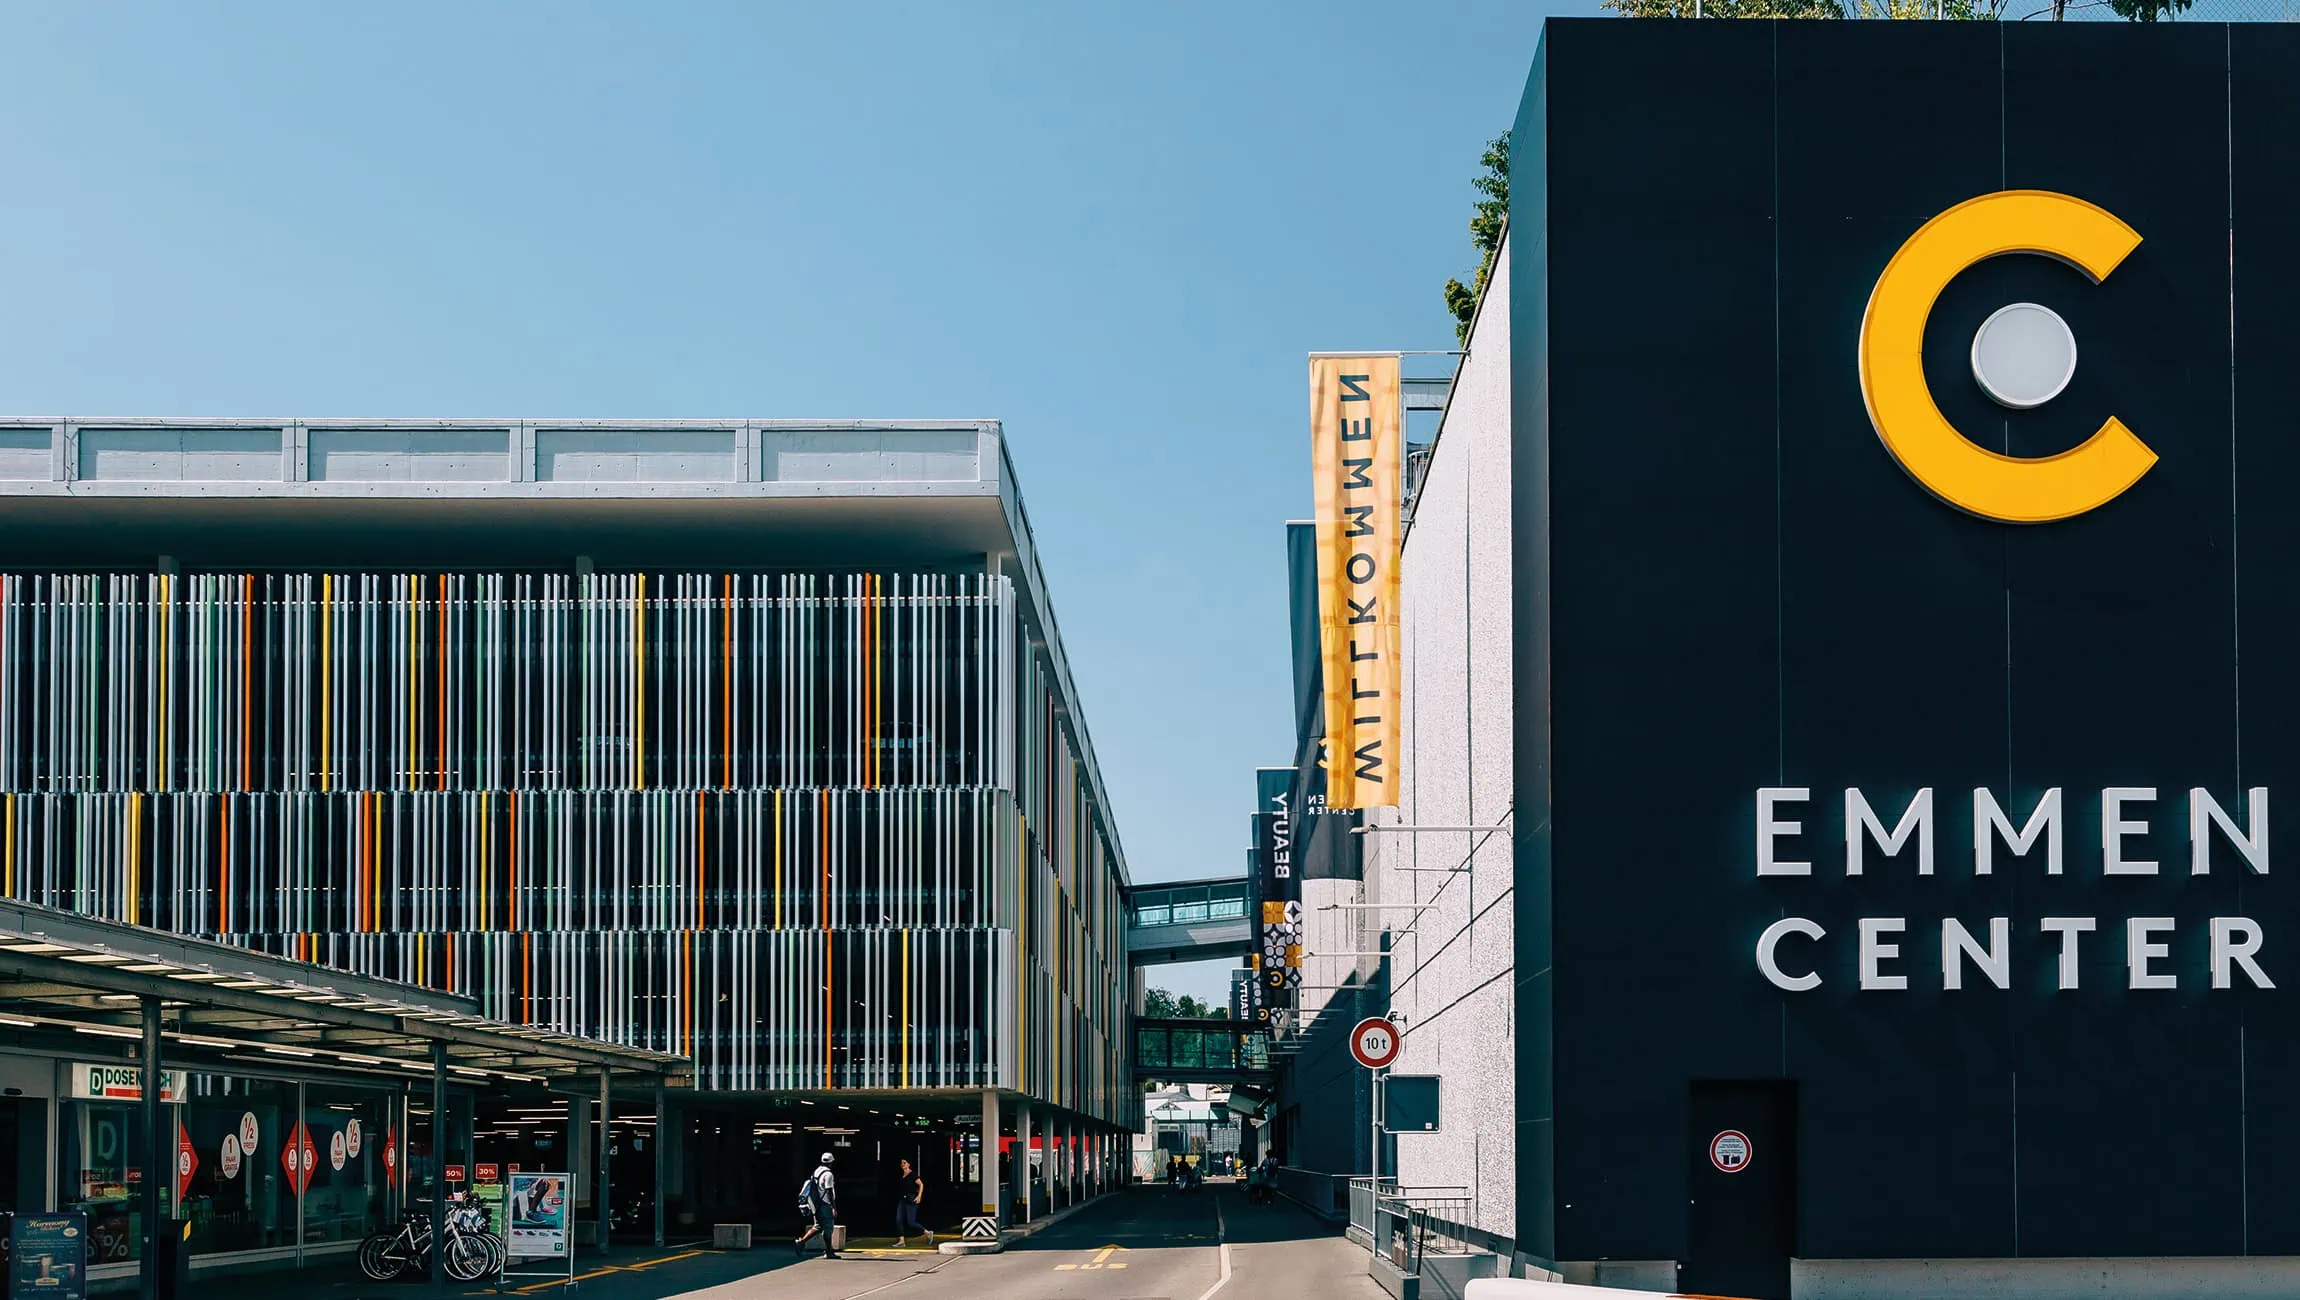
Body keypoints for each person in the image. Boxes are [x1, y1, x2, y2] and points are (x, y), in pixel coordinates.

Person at [794, 1152, 839, 1259]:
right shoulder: (828, 1174)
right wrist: (833, 1207)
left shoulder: (817, 1171)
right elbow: (828, 1191)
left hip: (816, 1203)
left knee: (818, 1226)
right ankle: (828, 1252)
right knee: (828, 1228)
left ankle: (801, 1242)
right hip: (825, 1204)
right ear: (832, 1162)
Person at [893, 1157, 933, 1248]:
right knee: (898, 1220)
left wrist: (919, 1196)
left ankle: (927, 1232)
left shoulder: (913, 1175)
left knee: (911, 1222)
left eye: (904, 1163)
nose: (903, 1164)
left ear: (908, 1164)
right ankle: (901, 1240)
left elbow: (921, 1184)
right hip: (902, 1200)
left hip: (911, 1200)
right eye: (902, 1163)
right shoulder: (901, 1175)